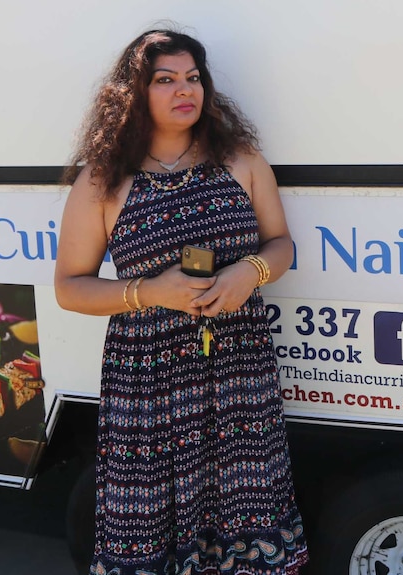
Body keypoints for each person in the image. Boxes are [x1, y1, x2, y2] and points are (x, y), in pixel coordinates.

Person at [54, 29, 309, 575]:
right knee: (152, 519)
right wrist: (149, 292)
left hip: (238, 371)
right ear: (133, 94)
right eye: (165, 80)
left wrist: (250, 271)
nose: (183, 90)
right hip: (149, 384)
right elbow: (69, 287)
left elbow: (281, 243)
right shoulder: (103, 182)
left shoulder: (239, 159)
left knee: (244, 501)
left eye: (192, 78)